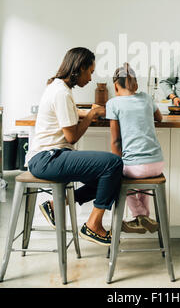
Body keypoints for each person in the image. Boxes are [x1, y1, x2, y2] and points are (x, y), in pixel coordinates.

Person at [26, 47, 123, 246]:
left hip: (48, 157)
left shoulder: (58, 87)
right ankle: (93, 225)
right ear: (79, 68)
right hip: (48, 159)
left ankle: (57, 204)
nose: (90, 78)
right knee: (113, 164)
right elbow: (71, 137)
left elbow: (68, 111)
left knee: (111, 176)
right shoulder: (61, 92)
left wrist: (87, 111)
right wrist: (90, 115)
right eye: (90, 71)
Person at [106, 63, 164, 234]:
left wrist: (116, 166)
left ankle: (138, 215)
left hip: (135, 168)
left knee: (123, 179)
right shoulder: (146, 98)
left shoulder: (113, 104)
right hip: (157, 164)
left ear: (115, 85)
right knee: (143, 182)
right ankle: (144, 216)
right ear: (136, 84)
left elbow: (116, 141)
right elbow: (159, 118)